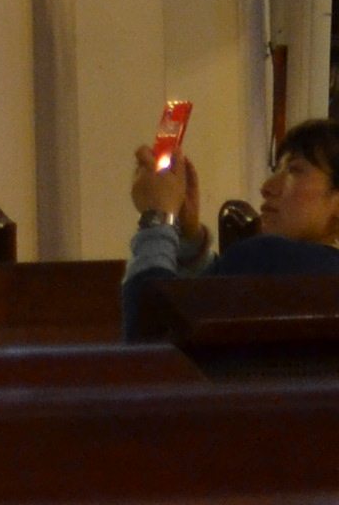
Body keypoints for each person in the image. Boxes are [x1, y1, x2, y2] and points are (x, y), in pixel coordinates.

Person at [123, 115, 339, 338]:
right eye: (277, 170)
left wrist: (157, 217)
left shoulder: (267, 256)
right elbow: (209, 303)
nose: (267, 187)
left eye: (295, 170)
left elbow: (151, 336)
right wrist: (189, 238)